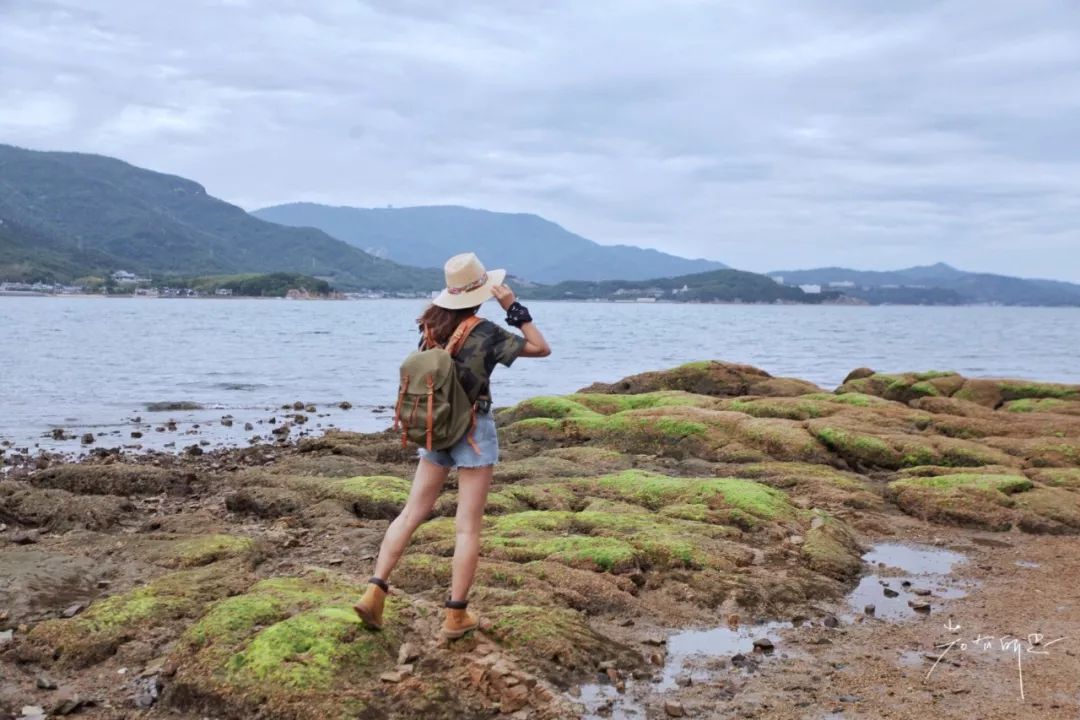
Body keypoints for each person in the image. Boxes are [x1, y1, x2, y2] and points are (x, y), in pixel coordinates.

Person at [354, 252, 551, 638]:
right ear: (482, 291)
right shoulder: (488, 332)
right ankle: (456, 615)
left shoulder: (431, 326)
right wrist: (513, 307)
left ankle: (375, 591)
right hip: (474, 429)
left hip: (435, 426)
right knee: (467, 527)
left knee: (411, 513)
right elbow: (540, 347)